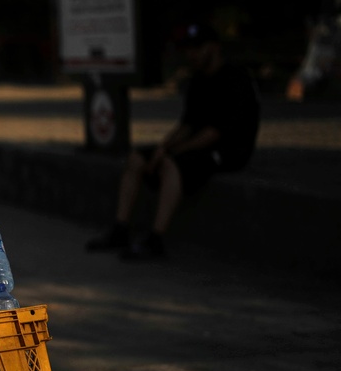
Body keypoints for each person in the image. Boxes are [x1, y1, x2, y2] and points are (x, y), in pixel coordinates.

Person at [85, 22, 261, 260]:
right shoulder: (198, 81)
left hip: (227, 151)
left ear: (214, 47)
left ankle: (156, 238)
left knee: (171, 164)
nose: (192, 54)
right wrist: (162, 147)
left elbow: (215, 133)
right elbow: (186, 125)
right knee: (137, 158)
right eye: (189, 48)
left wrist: (171, 153)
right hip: (196, 145)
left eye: (198, 47)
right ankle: (120, 229)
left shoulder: (234, 80)